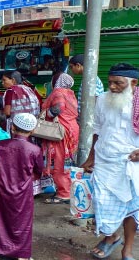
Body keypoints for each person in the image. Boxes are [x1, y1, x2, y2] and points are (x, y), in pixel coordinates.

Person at [81, 63, 139, 260]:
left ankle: (127, 250)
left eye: (118, 83)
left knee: (132, 207)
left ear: (133, 82)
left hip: (131, 163)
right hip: (105, 161)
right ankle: (111, 237)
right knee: (102, 202)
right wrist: (91, 157)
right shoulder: (103, 100)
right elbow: (97, 129)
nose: (113, 87)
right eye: (110, 82)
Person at [0, 113, 43, 260]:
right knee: (22, 221)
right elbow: (39, 171)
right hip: (23, 191)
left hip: (0, 187)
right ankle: (21, 255)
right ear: (32, 131)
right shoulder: (35, 150)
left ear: (12, 127)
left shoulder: (0, 145)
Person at [41, 72, 79, 204]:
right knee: (67, 161)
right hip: (71, 128)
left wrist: (45, 114)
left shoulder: (58, 93)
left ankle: (64, 193)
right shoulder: (70, 93)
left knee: (59, 161)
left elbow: (58, 108)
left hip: (60, 131)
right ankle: (67, 189)